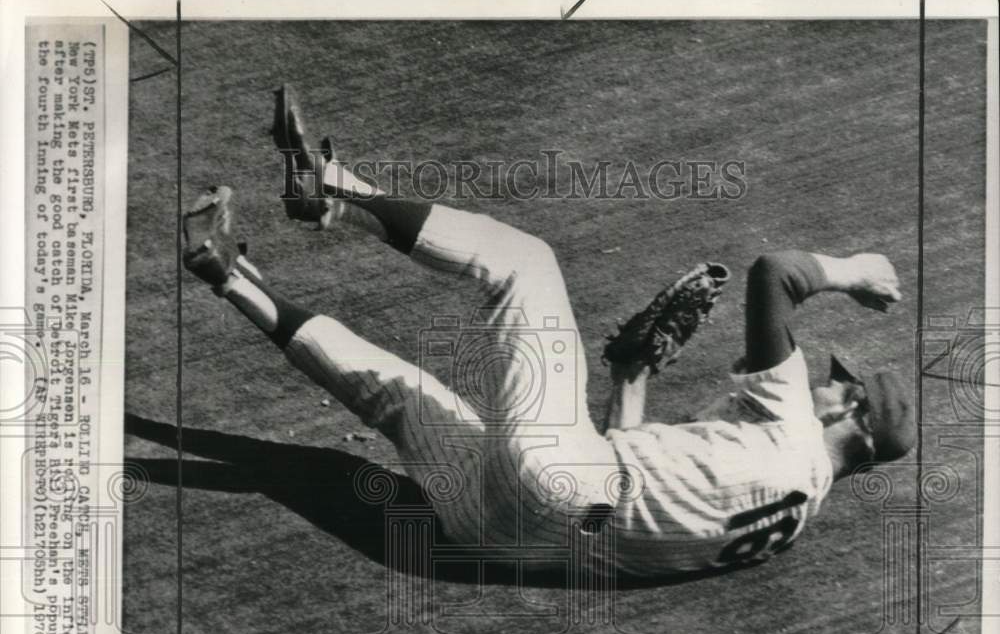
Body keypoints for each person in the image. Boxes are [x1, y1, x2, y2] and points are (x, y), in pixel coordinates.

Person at [180, 86, 914, 577]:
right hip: (507, 537)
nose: (822, 380)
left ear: (848, 411)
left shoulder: (791, 428)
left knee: (522, 263)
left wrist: (855, 271)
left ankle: (332, 188)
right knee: (402, 398)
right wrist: (633, 376)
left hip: (557, 481)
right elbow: (633, 502)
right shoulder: (792, 515)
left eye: (836, 381)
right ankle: (225, 273)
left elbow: (775, 274)